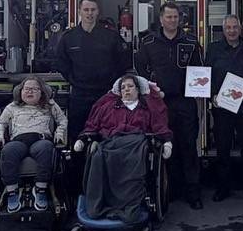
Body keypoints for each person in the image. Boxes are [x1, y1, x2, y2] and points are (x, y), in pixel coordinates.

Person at [74, 74, 173, 223]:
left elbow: (159, 125)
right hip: (111, 142)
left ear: (138, 90)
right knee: (98, 156)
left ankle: (129, 206)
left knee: (135, 158)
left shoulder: (147, 107)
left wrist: (166, 142)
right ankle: (99, 205)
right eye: (123, 87)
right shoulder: (108, 107)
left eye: (130, 86)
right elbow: (93, 125)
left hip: (136, 144)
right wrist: (83, 139)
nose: (126, 89)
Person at [135, 1, 205, 209]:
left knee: (188, 146)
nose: (172, 20)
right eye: (168, 17)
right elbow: (140, 69)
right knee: (165, 146)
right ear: (161, 19)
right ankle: (170, 189)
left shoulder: (191, 42)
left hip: (185, 102)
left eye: (176, 17)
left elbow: (200, 70)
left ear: (180, 19)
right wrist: (152, 89)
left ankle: (193, 193)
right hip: (159, 103)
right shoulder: (148, 42)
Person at [55, 0, 129, 147]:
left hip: (106, 95)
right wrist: (73, 79)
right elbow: (61, 63)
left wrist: (111, 81)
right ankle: (77, 170)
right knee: (78, 137)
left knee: (106, 136)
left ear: (98, 12)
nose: (89, 13)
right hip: (79, 95)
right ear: (79, 11)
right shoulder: (68, 38)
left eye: (93, 10)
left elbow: (123, 62)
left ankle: (103, 169)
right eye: (86, 10)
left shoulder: (110, 37)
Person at [205, 15, 243, 201]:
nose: (231, 31)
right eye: (228, 27)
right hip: (222, 106)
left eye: (235, 27)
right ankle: (223, 187)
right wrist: (212, 95)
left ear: (240, 28)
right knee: (222, 148)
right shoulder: (213, 49)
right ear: (223, 29)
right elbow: (207, 74)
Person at [0, 76, 67, 214]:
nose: (29, 92)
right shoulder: (12, 107)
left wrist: (59, 134)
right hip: (18, 140)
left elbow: (62, 120)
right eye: (26, 89)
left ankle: (40, 189)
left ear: (42, 92)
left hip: (40, 139)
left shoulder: (50, 104)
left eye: (34, 89)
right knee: (8, 151)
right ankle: (12, 192)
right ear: (20, 91)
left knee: (46, 149)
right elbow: (1, 124)